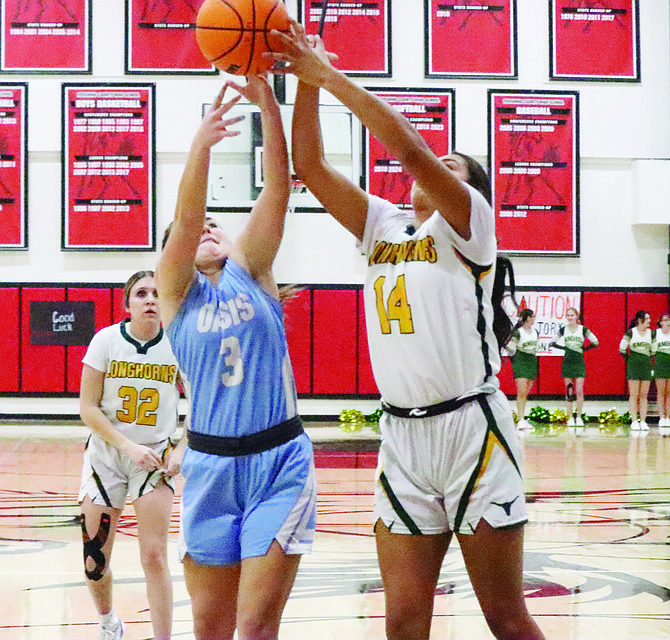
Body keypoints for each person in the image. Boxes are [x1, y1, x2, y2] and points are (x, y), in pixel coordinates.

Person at [269, 22, 545, 640]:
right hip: (402, 435)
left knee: (506, 617)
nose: (433, 166)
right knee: (401, 619)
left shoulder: (472, 222)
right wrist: (305, 83)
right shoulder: (384, 224)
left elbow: (411, 150)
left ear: (464, 187)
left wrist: (330, 77)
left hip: (474, 430)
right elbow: (308, 165)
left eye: (452, 165)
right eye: (438, 162)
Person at [155, 76, 316, 640]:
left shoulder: (254, 274)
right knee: (211, 628)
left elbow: (277, 186)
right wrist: (199, 147)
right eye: (189, 230)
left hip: (278, 464)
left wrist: (270, 105)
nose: (203, 229)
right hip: (209, 468)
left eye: (212, 226)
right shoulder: (174, 295)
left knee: (253, 627)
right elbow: (187, 216)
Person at [78, 269, 185, 640]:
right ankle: (109, 622)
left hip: (154, 459)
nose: (151, 299)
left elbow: (205, 401)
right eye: (141, 293)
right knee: (95, 560)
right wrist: (127, 446)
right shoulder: (105, 341)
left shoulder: (178, 343)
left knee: (154, 556)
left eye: (157, 292)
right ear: (127, 304)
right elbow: (87, 408)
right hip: (108, 456)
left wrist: (183, 446)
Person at [550, 307, 599, 426]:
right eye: (568, 315)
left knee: (579, 390)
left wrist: (583, 349)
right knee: (569, 391)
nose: (570, 317)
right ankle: (570, 417)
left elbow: (595, 342)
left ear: (577, 316)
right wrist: (565, 348)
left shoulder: (583, 329)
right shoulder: (563, 330)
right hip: (567, 361)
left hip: (579, 362)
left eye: (572, 315)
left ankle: (579, 417)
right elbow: (552, 343)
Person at [619, 310, 653, 431]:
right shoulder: (631, 332)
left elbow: (653, 351)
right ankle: (634, 421)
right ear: (640, 320)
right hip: (633, 366)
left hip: (646, 366)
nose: (649, 320)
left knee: (644, 395)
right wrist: (629, 360)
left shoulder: (651, 333)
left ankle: (643, 421)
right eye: (647, 318)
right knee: (633, 395)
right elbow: (622, 348)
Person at [507, 308, 539, 430]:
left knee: (526, 392)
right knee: (521, 391)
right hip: (521, 360)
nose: (534, 319)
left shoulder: (535, 332)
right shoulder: (518, 332)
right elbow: (510, 348)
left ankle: (523, 418)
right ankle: (520, 419)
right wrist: (515, 360)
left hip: (532, 360)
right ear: (528, 318)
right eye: (533, 317)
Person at [653, 313, 670, 430]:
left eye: (669, 320)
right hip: (660, 362)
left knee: (668, 392)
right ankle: (661, 417)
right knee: (661, 392)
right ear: (660, 322)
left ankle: (668, 417)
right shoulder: (655, 334)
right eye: (664, 320)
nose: (667, 322)